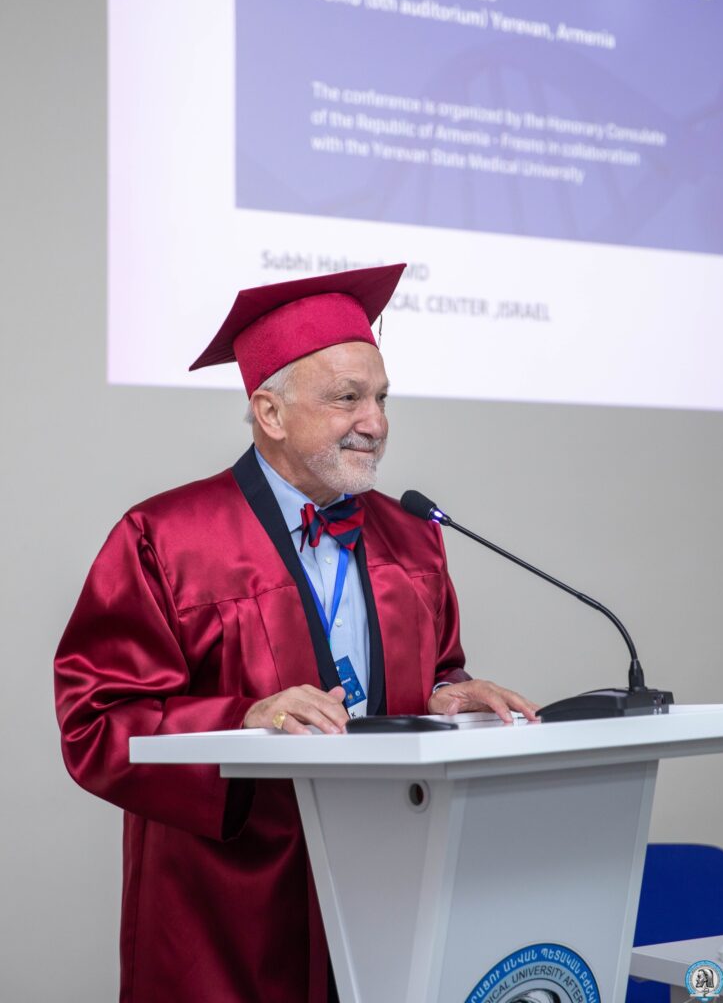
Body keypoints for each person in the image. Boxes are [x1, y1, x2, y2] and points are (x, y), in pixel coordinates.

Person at [54, 263, 537, 1003]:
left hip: (387, 877)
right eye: (347, 398)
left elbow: (438, 665)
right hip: (230, 905)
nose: (375, 422)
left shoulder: (413, 537)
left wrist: (449, 694)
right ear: (270, 413)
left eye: (380, 398)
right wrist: (242, 717)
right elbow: (95, 723)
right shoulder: (166, 538)